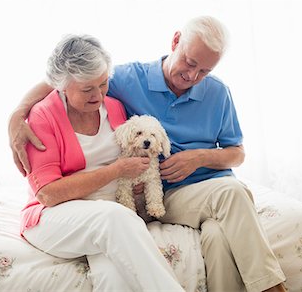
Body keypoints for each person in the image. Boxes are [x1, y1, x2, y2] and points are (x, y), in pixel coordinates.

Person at [10, 17, 287, 292]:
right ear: (176, 41)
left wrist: (200, 157)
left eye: (204, 71)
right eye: (190, 63)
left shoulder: (119, 103)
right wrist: (18, 112)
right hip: (136, 201)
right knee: (122, 219)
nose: (192, 76)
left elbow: (237, 152)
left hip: (183, 192)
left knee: (213, 234)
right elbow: (70, 77)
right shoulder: (125, 81)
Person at [18, 34, 184, 292]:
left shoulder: (115, 107)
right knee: (115, 217)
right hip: (54, 216)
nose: (98, 95)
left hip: (106, 218)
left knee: (115, 276)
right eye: (87, 89)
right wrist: (115, 172)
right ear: (62, 86)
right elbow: (48, 194)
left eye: (103, 84)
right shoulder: (43, 116)